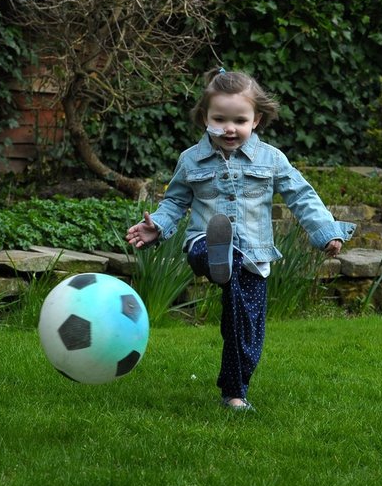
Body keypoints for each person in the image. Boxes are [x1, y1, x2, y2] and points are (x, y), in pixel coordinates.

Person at [125, 68, 355, 410]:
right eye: (219, 119)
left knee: (245, 329)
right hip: (204, 240)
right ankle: (219, 255)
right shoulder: (191, 160)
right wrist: (156, 225)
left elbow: (301, 196)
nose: (229, 128)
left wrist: (326, 232)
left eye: (239, 120)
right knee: (214, 251)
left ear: (256, 120)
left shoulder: (272, 159)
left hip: (254, 255)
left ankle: (234, 392)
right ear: (205, 117)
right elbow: (176, 200)